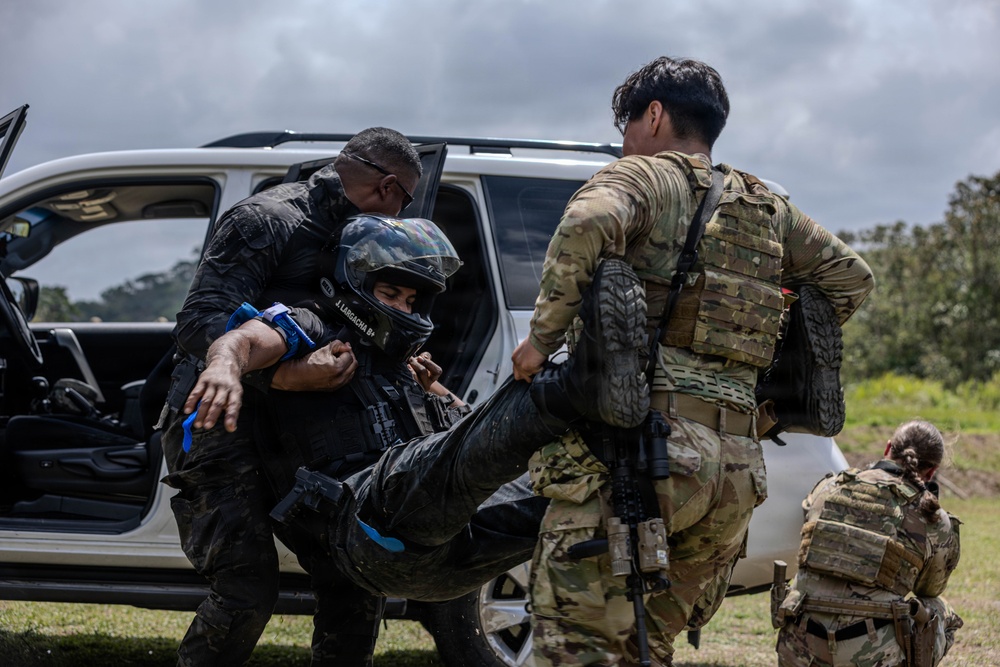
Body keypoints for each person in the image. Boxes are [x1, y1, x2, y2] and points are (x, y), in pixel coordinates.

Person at [509, 56, 876, 666]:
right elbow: (851, 279)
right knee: (644, 648)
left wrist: (540, 342)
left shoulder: (645, 178)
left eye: (628, 125)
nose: (624, 143)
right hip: (734, 471)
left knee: (580, 647)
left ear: (653, 115)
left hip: (648, 453)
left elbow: (588, 220)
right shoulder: (765, 206)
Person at [183, 216, 649, 604]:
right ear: (356, 284)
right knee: (467, 449)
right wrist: (224, 368)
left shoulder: (407, 367)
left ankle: (629, 456)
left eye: (411, 300)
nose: (403, 307)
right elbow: (244, 338)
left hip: (446, 559)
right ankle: (576, 379)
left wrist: (439, 396)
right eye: (390, 295)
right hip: (370, 525)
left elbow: (469, 443)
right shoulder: (317, 327)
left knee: (563, 493)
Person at [159, 128, 422, 667]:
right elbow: (198, 324)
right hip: (221, 419)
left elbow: (356, 319)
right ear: (390, 186)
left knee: (354, 574)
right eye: (407, 200)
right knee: (246, 588)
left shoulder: (362, 235)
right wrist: (280, 377)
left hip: (306, 426)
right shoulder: (268, 220)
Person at [774, 420, 963, 667]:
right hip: (870, 653)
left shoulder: (828, 487)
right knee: (940, 610)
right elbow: (930, 588)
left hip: (798, 647)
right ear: (931, 471)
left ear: (888, 449)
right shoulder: (932, 518)